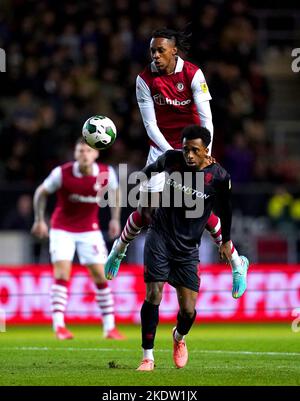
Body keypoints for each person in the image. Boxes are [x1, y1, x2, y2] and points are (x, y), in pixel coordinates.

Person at [105, 27, 246, 279]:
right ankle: (119, 249)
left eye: (160, 50)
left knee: (197, 211)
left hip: (194, 150)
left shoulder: (193, 74)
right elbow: (150, 126)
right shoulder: (144, 79)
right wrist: (172, 155)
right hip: (163, 148)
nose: (155, 56)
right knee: (147, 211)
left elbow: (207, 120)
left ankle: (236, 264)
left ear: (174, 51)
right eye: (152, 51)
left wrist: (202, 157)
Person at [107, 126, 249, 371]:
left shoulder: (219, 177)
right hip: (160, 236)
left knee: (188, 310)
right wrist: (141, 184)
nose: (189, 155)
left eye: (195, 150)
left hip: (187, 248)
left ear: (207, 151)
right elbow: (147, 171)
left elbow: (225, 210)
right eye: (186, 149)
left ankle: (179, 338)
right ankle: (147, 357)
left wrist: (226, 241)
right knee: (153, 294)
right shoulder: (172, 160)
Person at [31, 138, 124, 340]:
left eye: (88, 150)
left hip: (89, 229)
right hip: (62, 228)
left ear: (96, 154)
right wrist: (39, 220)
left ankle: (109, 327)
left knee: (101, 275)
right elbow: (41, 192)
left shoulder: (105, 173)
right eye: (80, 150)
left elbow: (116, 194)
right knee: (62, 273)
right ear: (75, 153)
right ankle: (59, 326)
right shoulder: (61, 173)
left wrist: (115, 219)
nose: (84, 154)